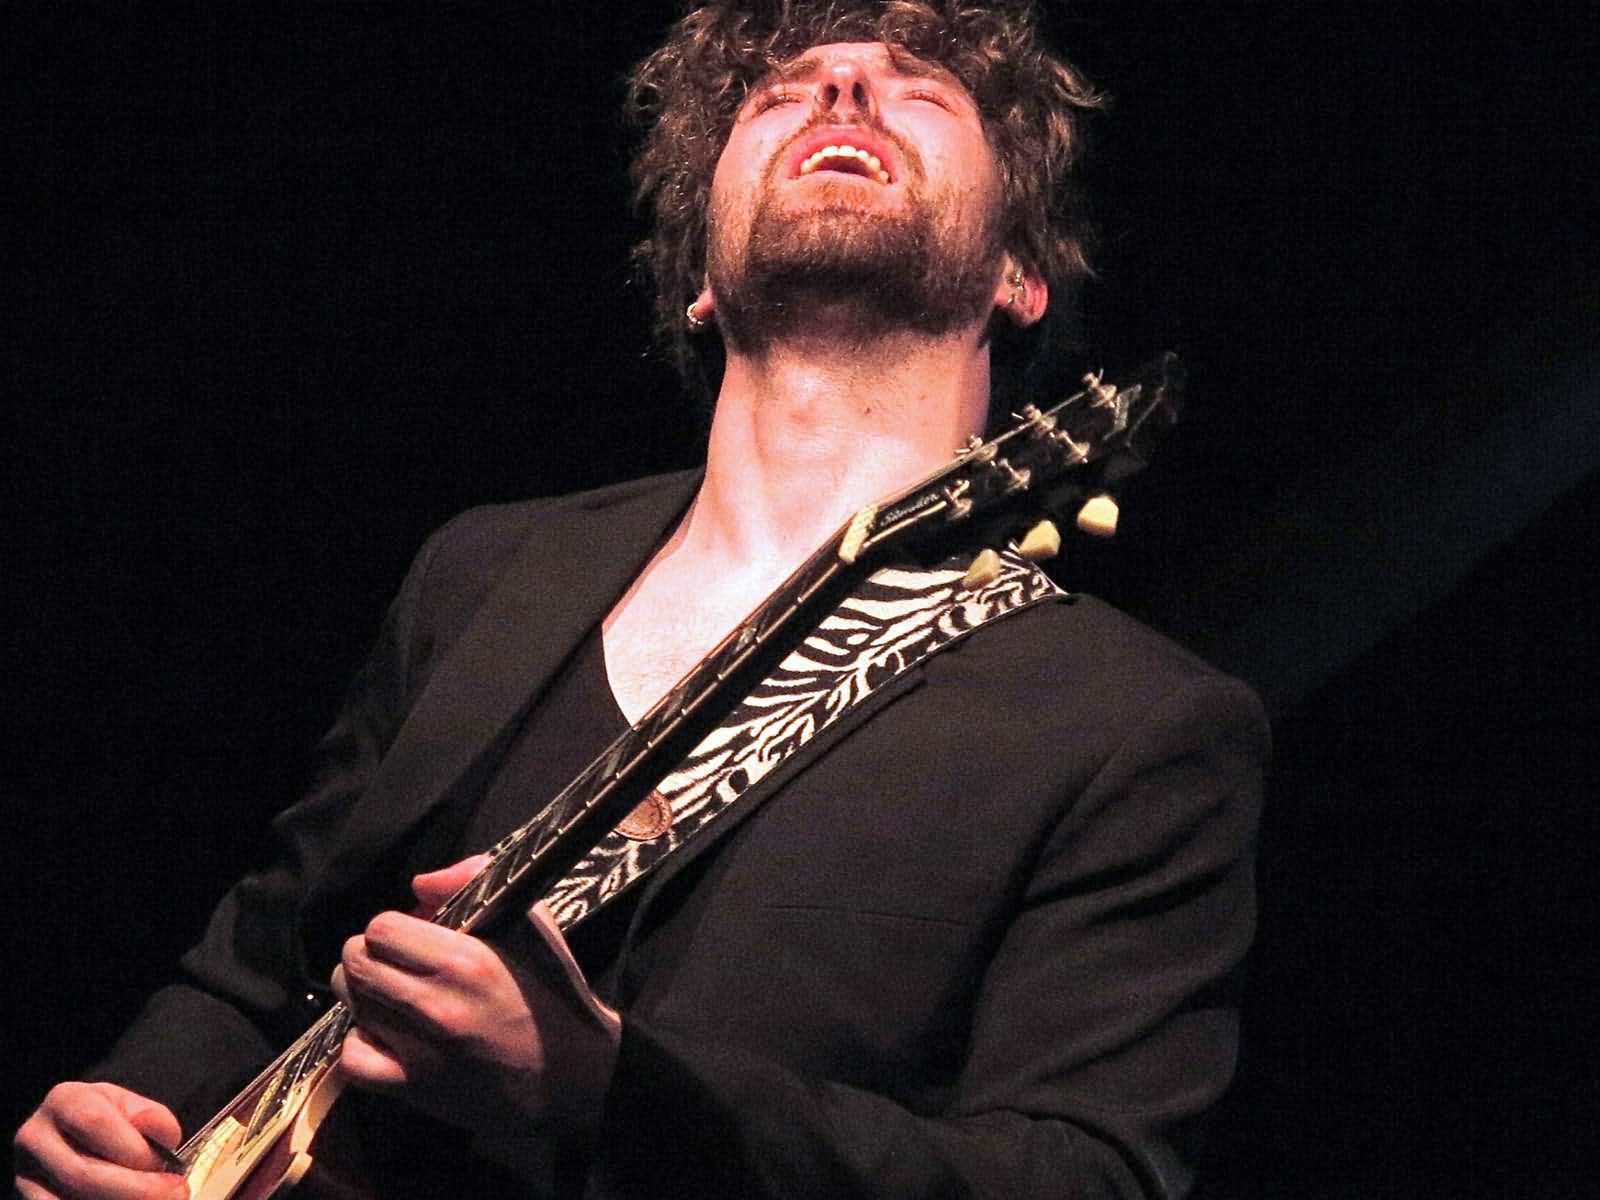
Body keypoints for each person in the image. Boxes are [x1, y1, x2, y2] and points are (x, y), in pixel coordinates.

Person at [14, 2, 1268, 1197]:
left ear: (1018, 273)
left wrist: (607, 1088)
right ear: (699, 279)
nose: (842, 85)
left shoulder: (1133, 726)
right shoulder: (486, 572)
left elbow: (1077, 1175)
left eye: (922, 93)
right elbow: (259, 967)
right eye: (778, 94)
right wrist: (130, 1115)